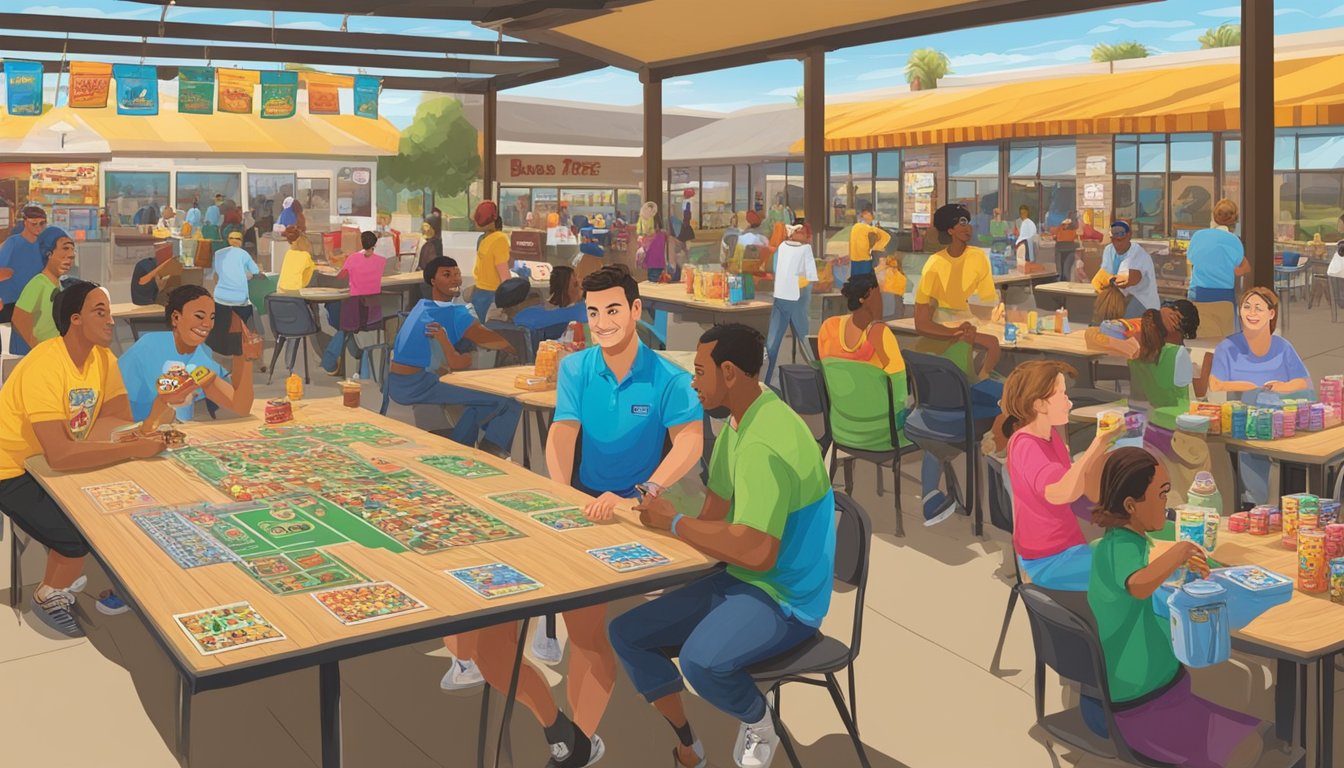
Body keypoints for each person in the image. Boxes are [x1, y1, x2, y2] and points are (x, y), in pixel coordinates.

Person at [443, 265, 704, 767]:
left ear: (635, 311)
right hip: (577, 502)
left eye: (613, 310)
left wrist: (646, 491)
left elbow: (689, 441)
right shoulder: (577, 368)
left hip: (633, 512)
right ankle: (557, 726)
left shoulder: (669, 377)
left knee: (585, 630)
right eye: (593, 312)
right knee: (487, 634)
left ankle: (578, 744)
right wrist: (559, 494)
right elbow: (563, 432)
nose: (603, 321)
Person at [610, 322, 835, 768]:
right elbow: (715, 512)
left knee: (701, 662)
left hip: (786, 599)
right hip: (741, 578)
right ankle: (688, 742)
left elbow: (756, 550)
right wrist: (664, 514)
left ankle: (758, 719)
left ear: (728, 372)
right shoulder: (738, 423)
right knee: (626, 633)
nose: (693, 383)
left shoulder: (766, 442)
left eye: (698, 372)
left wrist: (674, 522)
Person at [0, 281, 177, 636]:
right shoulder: (45, 365)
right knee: (75, 538)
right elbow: (62, 454)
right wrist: (130, 446)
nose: (111, 320)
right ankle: (49, 594)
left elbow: (114, 423)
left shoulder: (103, 358)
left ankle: (122, 582)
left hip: (52, 459)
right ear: (75, 319)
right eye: (101, 312)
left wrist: (159, 410)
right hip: (13, 467)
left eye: (110, 312)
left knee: (132, 503)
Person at [1088, 447, 1266, 768]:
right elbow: (1138, 584)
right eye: (1161, 494)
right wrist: (1181, 550)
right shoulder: (1118, 549)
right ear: (1131, 505)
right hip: (1142, 708)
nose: (1166, 503)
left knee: (1252, 732)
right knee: (1250, 745)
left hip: (1155, 693)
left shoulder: (1125, 543)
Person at [912, 203, 1003, 526]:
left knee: (944, 407)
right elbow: (921, 321)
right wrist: (955, 331)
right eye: (961, 222)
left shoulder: (978, 258)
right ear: (949, 229)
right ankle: (998, 472)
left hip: (967, 344)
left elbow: (985, 305)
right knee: (1010, 398)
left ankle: (932, 492)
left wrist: (974, 329)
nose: (968, 227)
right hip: (947, 349)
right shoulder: (934, 265)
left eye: (968, 222)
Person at [387, 256, 521, 457]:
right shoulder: (453, 313)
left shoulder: (422, 306)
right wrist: (520, 352)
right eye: (447, 275)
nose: (455, 280)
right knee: (509, 401)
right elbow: (494, 344)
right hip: (419, 385)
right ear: (433, 280)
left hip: (398, 381)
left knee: (478, 400)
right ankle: (493, 455)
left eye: (457, 274)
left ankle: (461, 447)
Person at [1003, 360, 1116, 591]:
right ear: (1040, 405)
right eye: (1062, 395)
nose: (1069, 402)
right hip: (1046, 560)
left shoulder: (1052, 437)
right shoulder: (1025, 445)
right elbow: (1060, 493)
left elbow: (1078, 489)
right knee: (1131, 573)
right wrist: (1098, 443)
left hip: (1069, 547)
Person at [1209, 287, 1311, 505]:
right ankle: (1254, 503)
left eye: (1258, 308)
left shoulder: (1283, 348)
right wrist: (1250, 387)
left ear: (1271, 313)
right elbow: (1215, 384)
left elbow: (1303, 382)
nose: (1251, 313)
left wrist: (1280, 387)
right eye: (1246, 307)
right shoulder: (1227, 347)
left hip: (1279, 425)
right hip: (1239, 425)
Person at [118, 285, 259, 426]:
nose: (207, 324)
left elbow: (240, 408)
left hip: (172, 433)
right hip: (131, 430)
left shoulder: (201, 356)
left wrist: (246, 359)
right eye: (199, 316)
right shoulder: (148, 347)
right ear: (176, 318)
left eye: (212, 317)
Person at [321, 231, 387, 377]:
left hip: (355, 306)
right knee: (348, 331)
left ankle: (330, 361)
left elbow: (341, 276)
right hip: (373, 308)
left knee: (344, 328)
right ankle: (357, 356)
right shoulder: (382, 261)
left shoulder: (353, 258)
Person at [817, 271, 905, 376]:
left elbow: (829, 370)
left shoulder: (829, 326)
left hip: (837, 391)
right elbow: (898, 379)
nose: (883, 301)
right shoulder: (880, 333)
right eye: (880, 295)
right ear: (864, 298)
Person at [763, 222, 818, 386]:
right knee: (805, 341)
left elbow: (774, 269)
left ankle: (765, 381)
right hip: (798, 298)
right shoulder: (806, 250)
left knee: (772, 343)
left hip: (782, 296)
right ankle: (820, 381)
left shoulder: (781, 248)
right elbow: (810, 276)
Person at [1186, 199, 1249, 339]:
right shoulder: (1234, 241)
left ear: (1214, 216)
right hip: (1223, 297)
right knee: (1225, 340)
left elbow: (1191, 258)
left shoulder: (1198, 236)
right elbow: (1242, 267)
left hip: (1198, 294)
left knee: (1199, 337)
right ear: (1234, 219)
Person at [11, 226, 77, 355]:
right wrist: (39, 351)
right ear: (49, 253)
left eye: (73, 249)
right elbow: (19, 319)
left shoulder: (61, 286)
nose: (71, 255)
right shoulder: (38, 284)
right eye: (65, 248)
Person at [205, 230, 260, 357]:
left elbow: (214, 276)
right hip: (239, 299)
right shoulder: (244, 254)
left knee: (220, 322)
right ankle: (251, 348)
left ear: (228, 240)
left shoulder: (219, 254)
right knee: (251, 321)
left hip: (220, 298)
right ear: (241, 242)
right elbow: (254, 271)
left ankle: (216, 350)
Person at [0, 205, 49, 347]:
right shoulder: (13, 243)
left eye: (42, 224)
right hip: (11, 302)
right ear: (25, 222)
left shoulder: (44, 246)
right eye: (34, 224)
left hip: (35, 302)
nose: (38, 228)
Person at [1100, 221, 1159, 318]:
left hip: (1142, 301)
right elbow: (1104, 273)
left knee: (1125, 325)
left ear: (1129, 236)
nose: (1117, 244)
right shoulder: (1109, 250)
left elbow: (1131, 277)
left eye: (1121, 240)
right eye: (1114, 240)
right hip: (1119, 299)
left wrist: (1116, 280)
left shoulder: (1138, 253)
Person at [471, 201, 512, 322]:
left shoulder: (483, 240)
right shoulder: (500, 239)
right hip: (493, 296)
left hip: (479, 293)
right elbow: (505, 278)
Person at [847, 205, 890, 277]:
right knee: (865, 281)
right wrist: (876, 247)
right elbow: (886, 236)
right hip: (864, 259)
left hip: (854, 259)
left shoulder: (855, 227)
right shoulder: (869, 228)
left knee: (855, 281)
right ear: (867, 214)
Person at [276, 227, 317, 293]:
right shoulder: (306, 255)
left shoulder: (289, 253)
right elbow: (308, 277)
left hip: (280, 290)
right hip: (295, 291)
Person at [1052, 210, 1080, 279]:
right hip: (1069, 249)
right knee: (1066, 270)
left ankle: (1061, 281)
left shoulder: (1060, 228)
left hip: (1061, 248)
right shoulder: (1074, 228)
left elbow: (1054, 236)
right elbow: (1077, 239)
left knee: (1061, 271)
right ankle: (1065, 281)